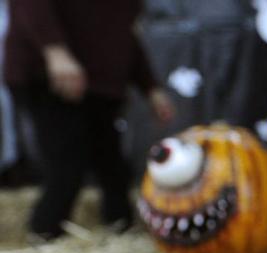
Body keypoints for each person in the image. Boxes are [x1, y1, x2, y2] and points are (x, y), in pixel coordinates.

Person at [3, 0, 175, 240]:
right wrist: (55, 51)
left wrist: (150, 87)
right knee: (66, 166)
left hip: (97, 82)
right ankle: (44, 236)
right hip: (51, 75)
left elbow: (121, 31)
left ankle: (122, 232)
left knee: (113, 166)